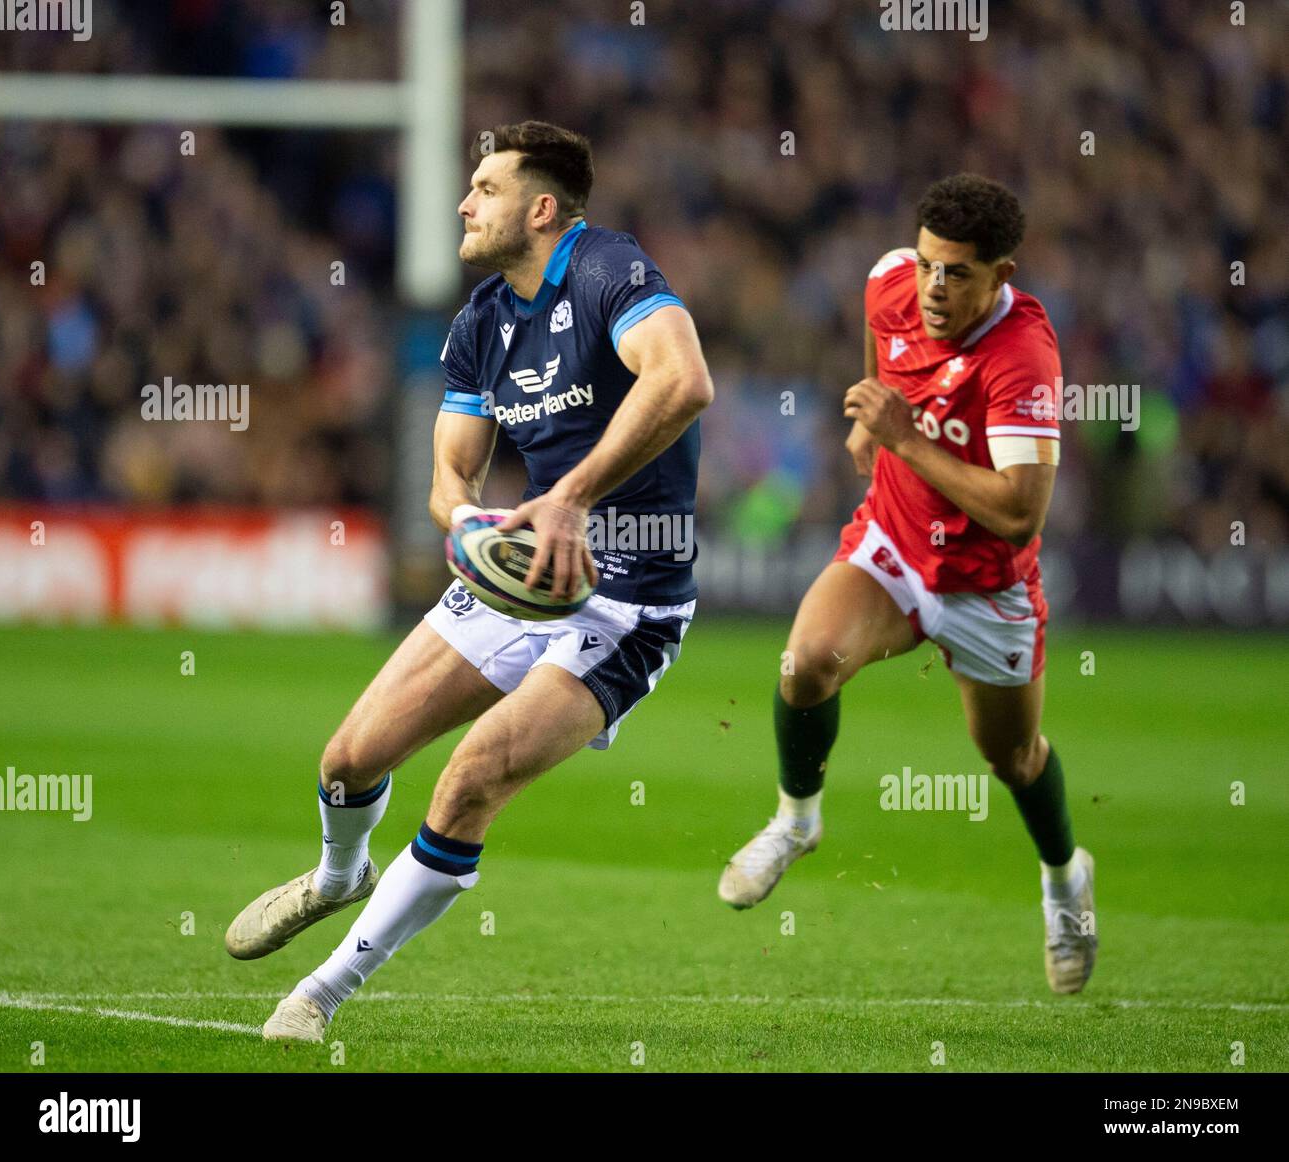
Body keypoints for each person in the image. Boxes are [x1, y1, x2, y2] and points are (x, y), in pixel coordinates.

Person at [225, 121, 714, 1040]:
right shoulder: (482, 322)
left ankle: (319, 995)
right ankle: (338, 875)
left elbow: (684, 381)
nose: (463, 201)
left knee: (472, 778)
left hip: (630, 603)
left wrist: (568, 495)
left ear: (540, 208)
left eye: (484, 187)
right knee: (347, 761)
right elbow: (449, 480)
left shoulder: (610, 269)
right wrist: (473, 526)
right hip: (524, 573)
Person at [718, 173, 1096, 995]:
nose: (933, 286)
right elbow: (881, 360)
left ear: (1003, 274)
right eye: (929, 263)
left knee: (1013, 757)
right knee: (806, 661)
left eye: (958, 273)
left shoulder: (1023, 356)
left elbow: (1021, 513)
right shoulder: (890, 281)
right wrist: (868, 422)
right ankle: (796, 821)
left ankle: (1065, 879)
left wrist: (904, 438)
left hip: (986, 588)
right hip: (892, 545)